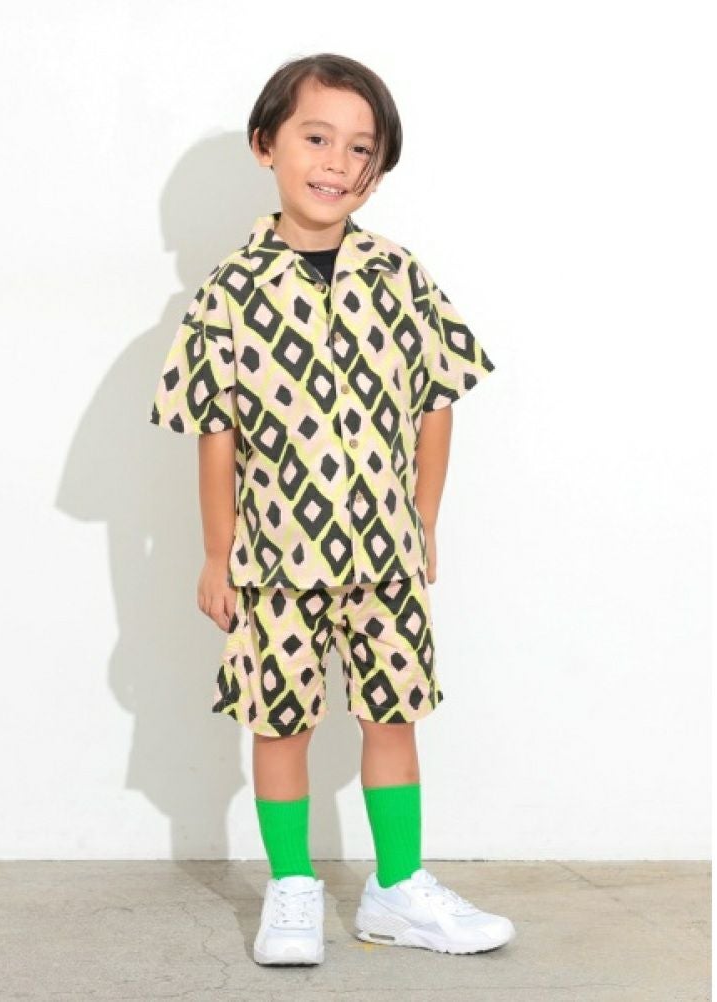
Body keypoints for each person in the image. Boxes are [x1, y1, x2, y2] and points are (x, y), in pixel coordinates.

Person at [150, 52, 515, 965]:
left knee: (395, 714)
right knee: (282, 721)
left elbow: (438, 397)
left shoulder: (400, 275)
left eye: (361, 149)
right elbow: (214, 431)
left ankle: (399, 889)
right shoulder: (228, 294)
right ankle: (292, 887)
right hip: (276, 558)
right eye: (317, 138)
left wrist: (423, 518)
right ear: (265, 144)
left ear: (378, 170)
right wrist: (216, 554)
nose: (337, 163)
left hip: (385, 553)